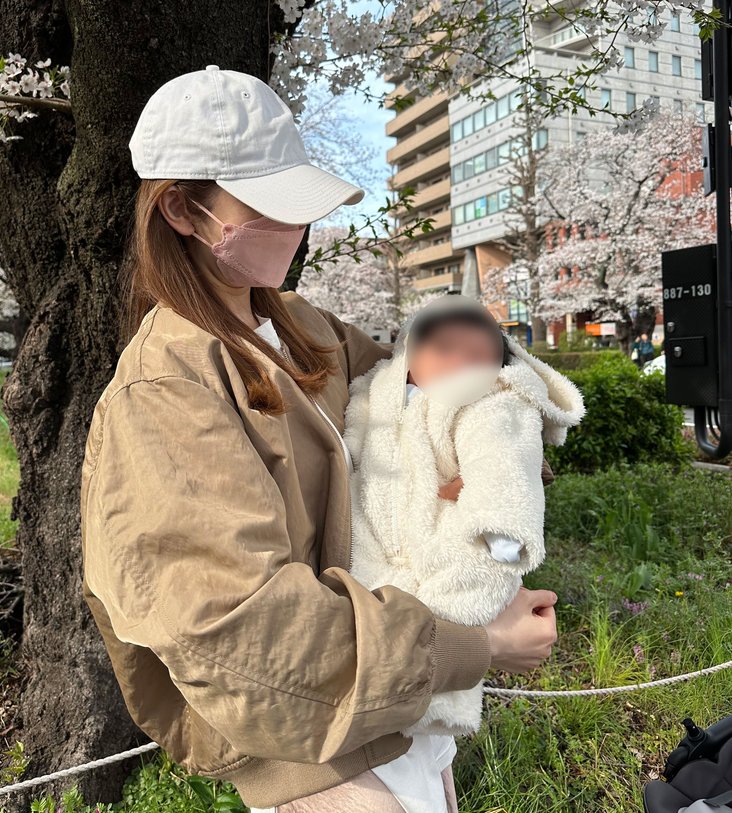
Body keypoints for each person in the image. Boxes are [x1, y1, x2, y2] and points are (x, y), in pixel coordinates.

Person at [79, 66, 559, 813]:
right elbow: (244, 629)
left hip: (401, 706)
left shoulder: (302, 325)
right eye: (268, 205)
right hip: (311, 752)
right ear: (182, 209)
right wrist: (477, 644)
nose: (295, 226)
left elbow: (435, 389)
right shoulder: (163, 395)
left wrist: (496, 456)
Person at [344, 296, 584, 763]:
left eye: (478, 354)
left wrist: (501, 533)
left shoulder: (493, 400)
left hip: (452, 536)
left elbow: (503, 467)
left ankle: (432, 701)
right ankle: (405, 704)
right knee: (376, 618)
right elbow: (351, 447)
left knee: (445, 611)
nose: (461, 363)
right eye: (445, 349)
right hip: (376, 533)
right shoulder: (378, 397)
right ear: (408, 361)